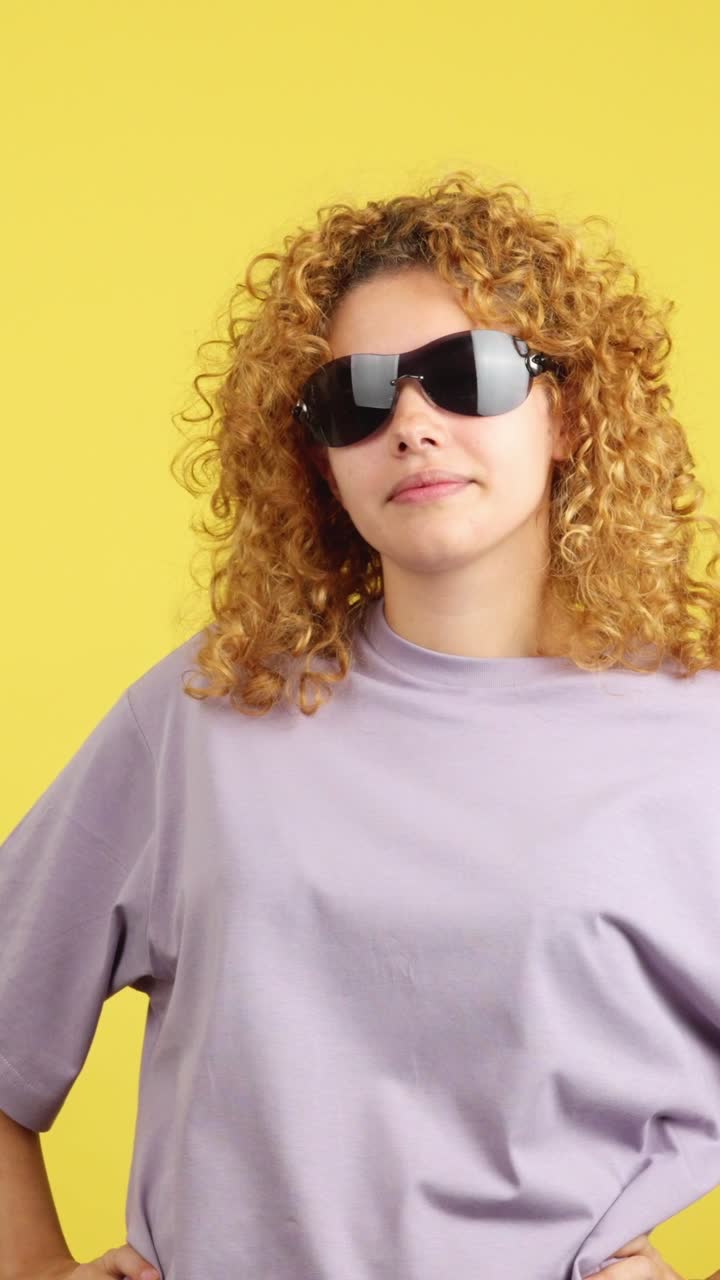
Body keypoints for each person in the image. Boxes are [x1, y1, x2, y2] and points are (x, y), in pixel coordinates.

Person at [1, 170, 720, 1280]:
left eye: (469, 375)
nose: (413, 425)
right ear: (317, 454)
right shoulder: (212, 711)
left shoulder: (695, 737)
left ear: (569, 413)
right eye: (356, 397)